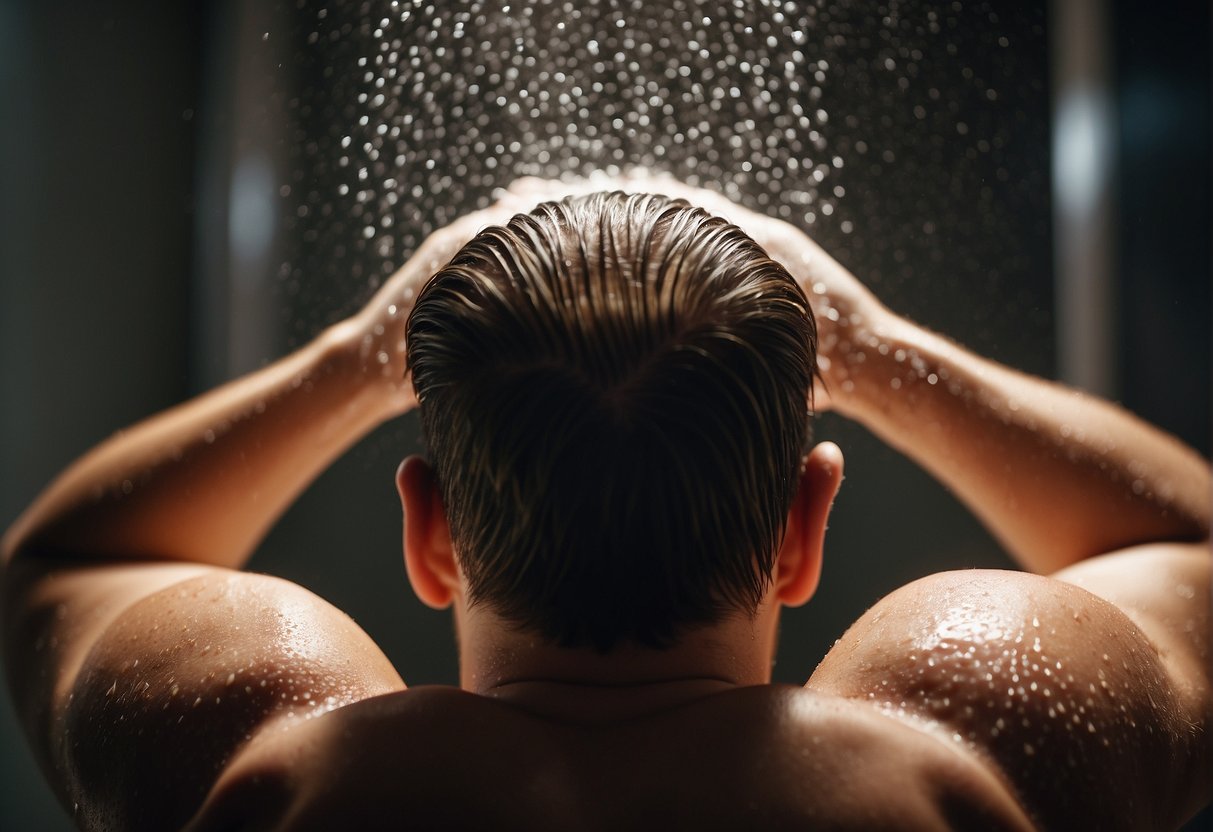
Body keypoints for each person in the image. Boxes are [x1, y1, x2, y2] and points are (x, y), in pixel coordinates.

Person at [2, 178, 1208, 831]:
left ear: (429, 529)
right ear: (803, 528)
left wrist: (359, 358)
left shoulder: (260, 770)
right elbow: (1188, 538)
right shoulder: (971, 762)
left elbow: (60, 561)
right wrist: (878, 352)